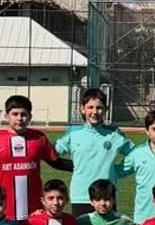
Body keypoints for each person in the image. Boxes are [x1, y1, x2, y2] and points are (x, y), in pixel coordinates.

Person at [0, 95, 71, 221]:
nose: (19, 118)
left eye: (23, 114)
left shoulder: (39, 138)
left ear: (30, 116)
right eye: (15, 114)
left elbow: (56, 162)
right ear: (6, 116)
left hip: (34, 208)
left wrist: (80, 166)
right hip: (4, 208)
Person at [54, 87, 135, 215]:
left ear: (106, 109)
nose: (95, 112)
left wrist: (118, 171)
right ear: (82, 109)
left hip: (107, 196)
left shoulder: (114, 134)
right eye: (90, 107)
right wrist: (69, 165)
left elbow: (135, 155)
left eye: (99, 108)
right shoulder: (73, 133)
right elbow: (51, 152)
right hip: (81, 196)